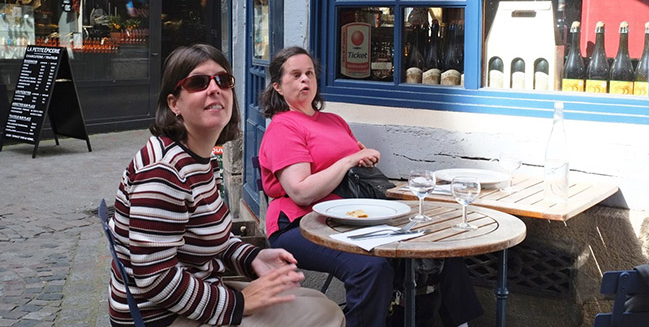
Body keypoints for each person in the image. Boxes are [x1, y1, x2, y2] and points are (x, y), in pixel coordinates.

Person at [108, 44, 344, 327]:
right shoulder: (164, 171)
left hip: (195, 293)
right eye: (198, 82)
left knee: (316, 301)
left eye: (223, 80)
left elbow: (208, 236)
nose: (214, 89)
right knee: (326, 316)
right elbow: (155, 277)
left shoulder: (199, 159)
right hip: (161, 316)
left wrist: (253, 257)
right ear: (174, 104)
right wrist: (240, 303)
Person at [258, 46, 484, 327]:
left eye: (310, 74)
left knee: (435, 240)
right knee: (371, 268)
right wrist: (348, 160)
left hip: (352, 216)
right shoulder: (283, 127)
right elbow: (301, 191)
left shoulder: (334, 120)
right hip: (300, 224)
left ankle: (455, 322)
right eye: (295, 75)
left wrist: (361, 160)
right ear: (278, 86)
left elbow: (352, 166)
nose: (305, 80)